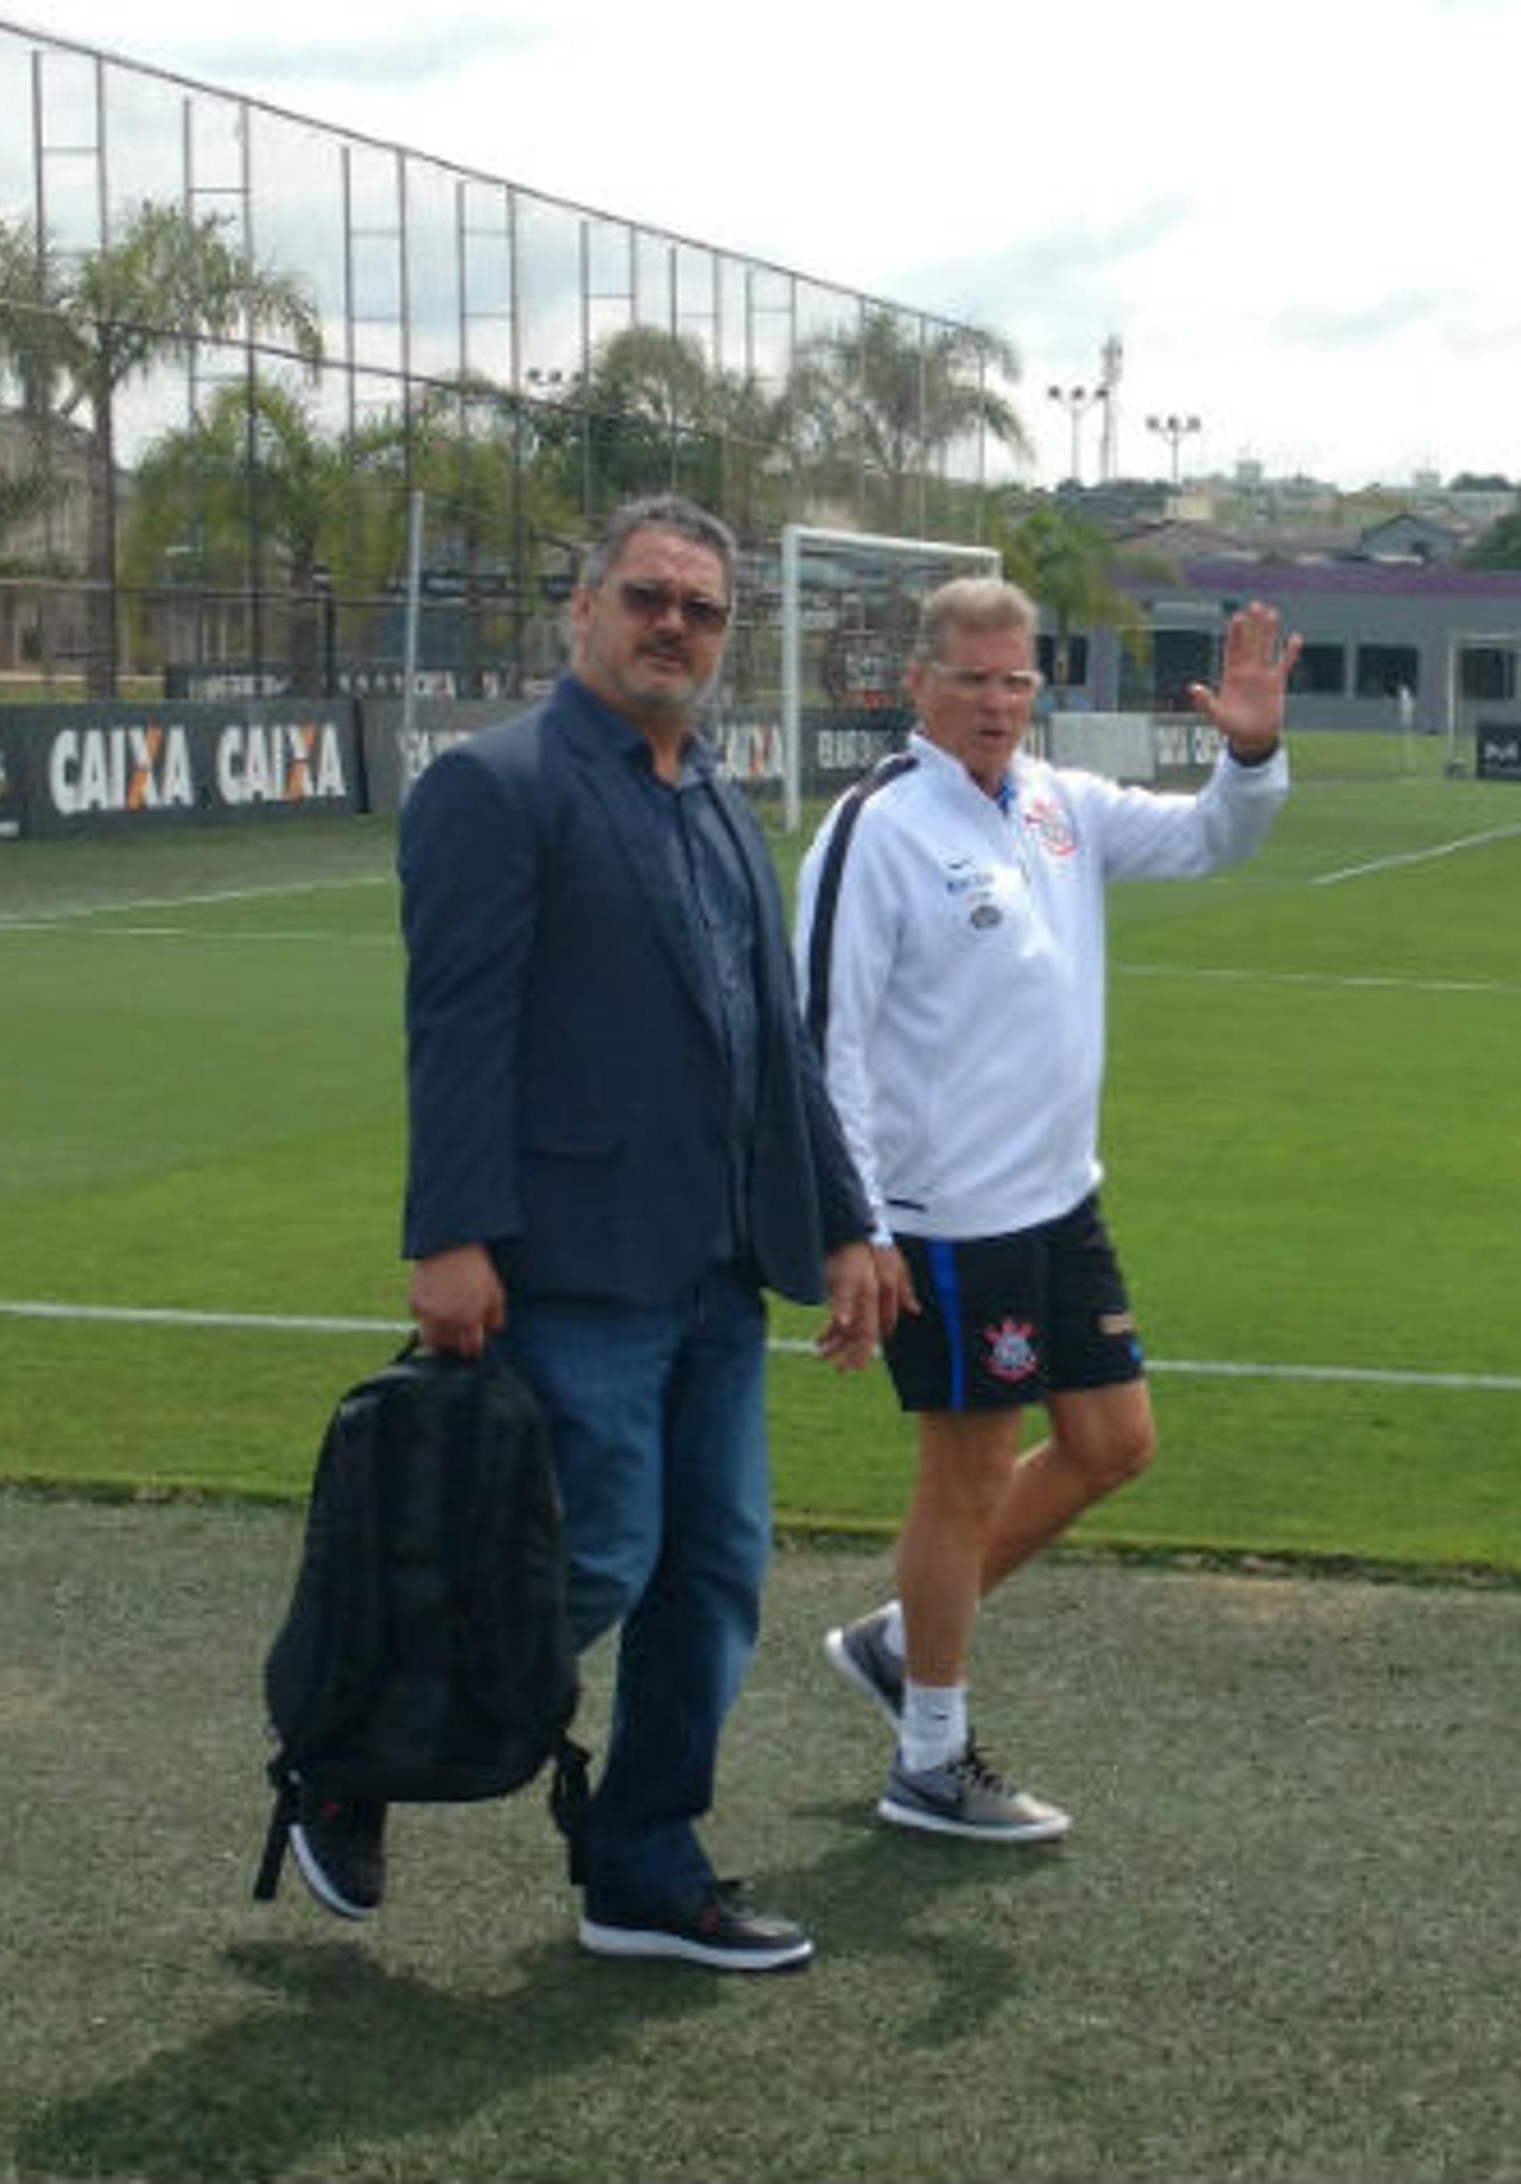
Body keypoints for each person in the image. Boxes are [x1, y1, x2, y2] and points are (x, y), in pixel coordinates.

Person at [297, 493, 889, 1973]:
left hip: (712, 1276)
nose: (673, 623)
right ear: (584, 611)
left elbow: (776, 1053)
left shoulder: (721, 808)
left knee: (717, 1572)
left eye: (701, 606)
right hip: (566, 1266)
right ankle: (350, 1752)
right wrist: (451, 1237)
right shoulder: (498, 788)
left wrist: (845, 1225)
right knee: (599, 1558)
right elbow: (459, 1033)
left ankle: (642, 1865)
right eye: (648, 596)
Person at [792, 575, 1293, 1843]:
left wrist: (1251, 753)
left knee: (1114, 1443)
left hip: (1060, 1200)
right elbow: (825, 1042)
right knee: (958, 1480)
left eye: (1018, 679)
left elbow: (1208, 841)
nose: (998, 703)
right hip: (947, 1220)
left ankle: (904, 1640)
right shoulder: (878, 829)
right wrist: (859, 1229)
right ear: (917, 685)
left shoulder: (1055, 803)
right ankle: (930, 1758)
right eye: (971, 678)